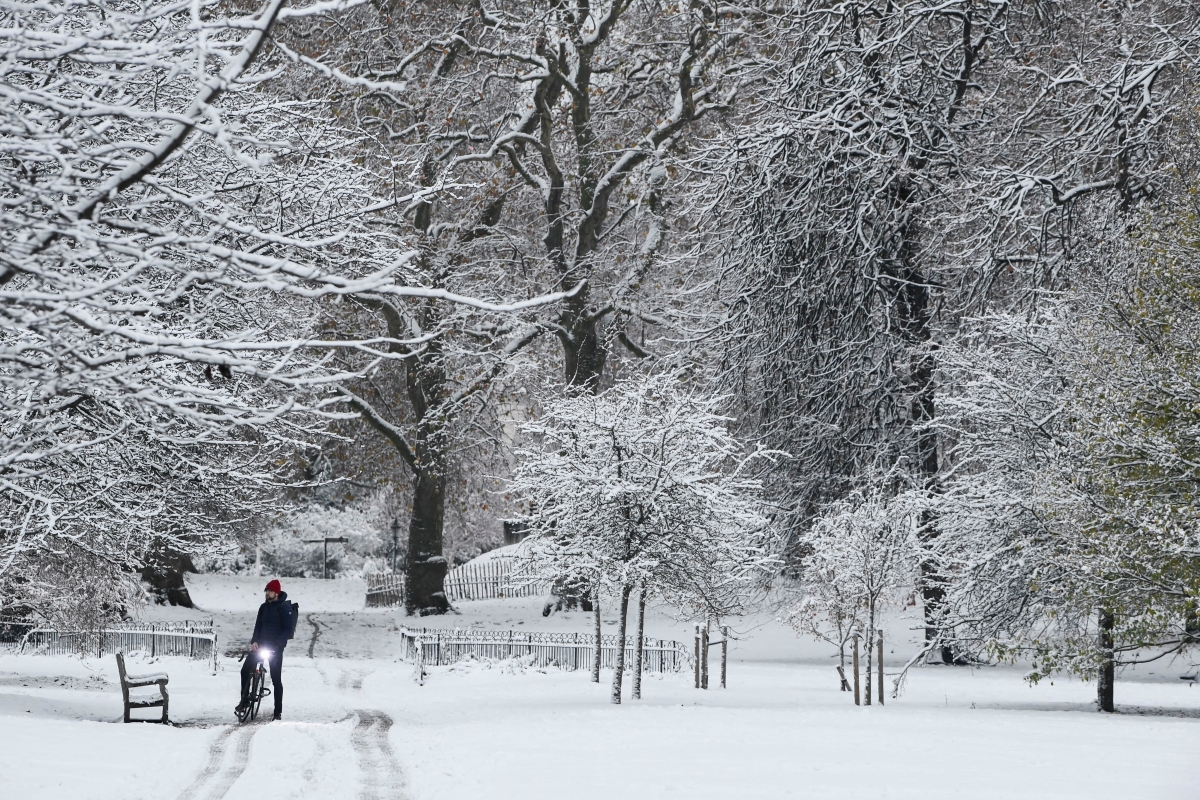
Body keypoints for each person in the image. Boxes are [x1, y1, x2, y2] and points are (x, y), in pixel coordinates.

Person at [237, 579, 294, 721]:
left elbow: (288, 630)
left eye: (269, 591)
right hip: (260, 645)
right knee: (245, 670)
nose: (267, 593)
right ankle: (244, 702)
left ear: (276, 592)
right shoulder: (263, 607)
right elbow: (258, 626)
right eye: (266, 591)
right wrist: (254, 641)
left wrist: (277, 644)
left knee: (276, 679)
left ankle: (277, 712)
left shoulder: (284, 607)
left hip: (275, 649)